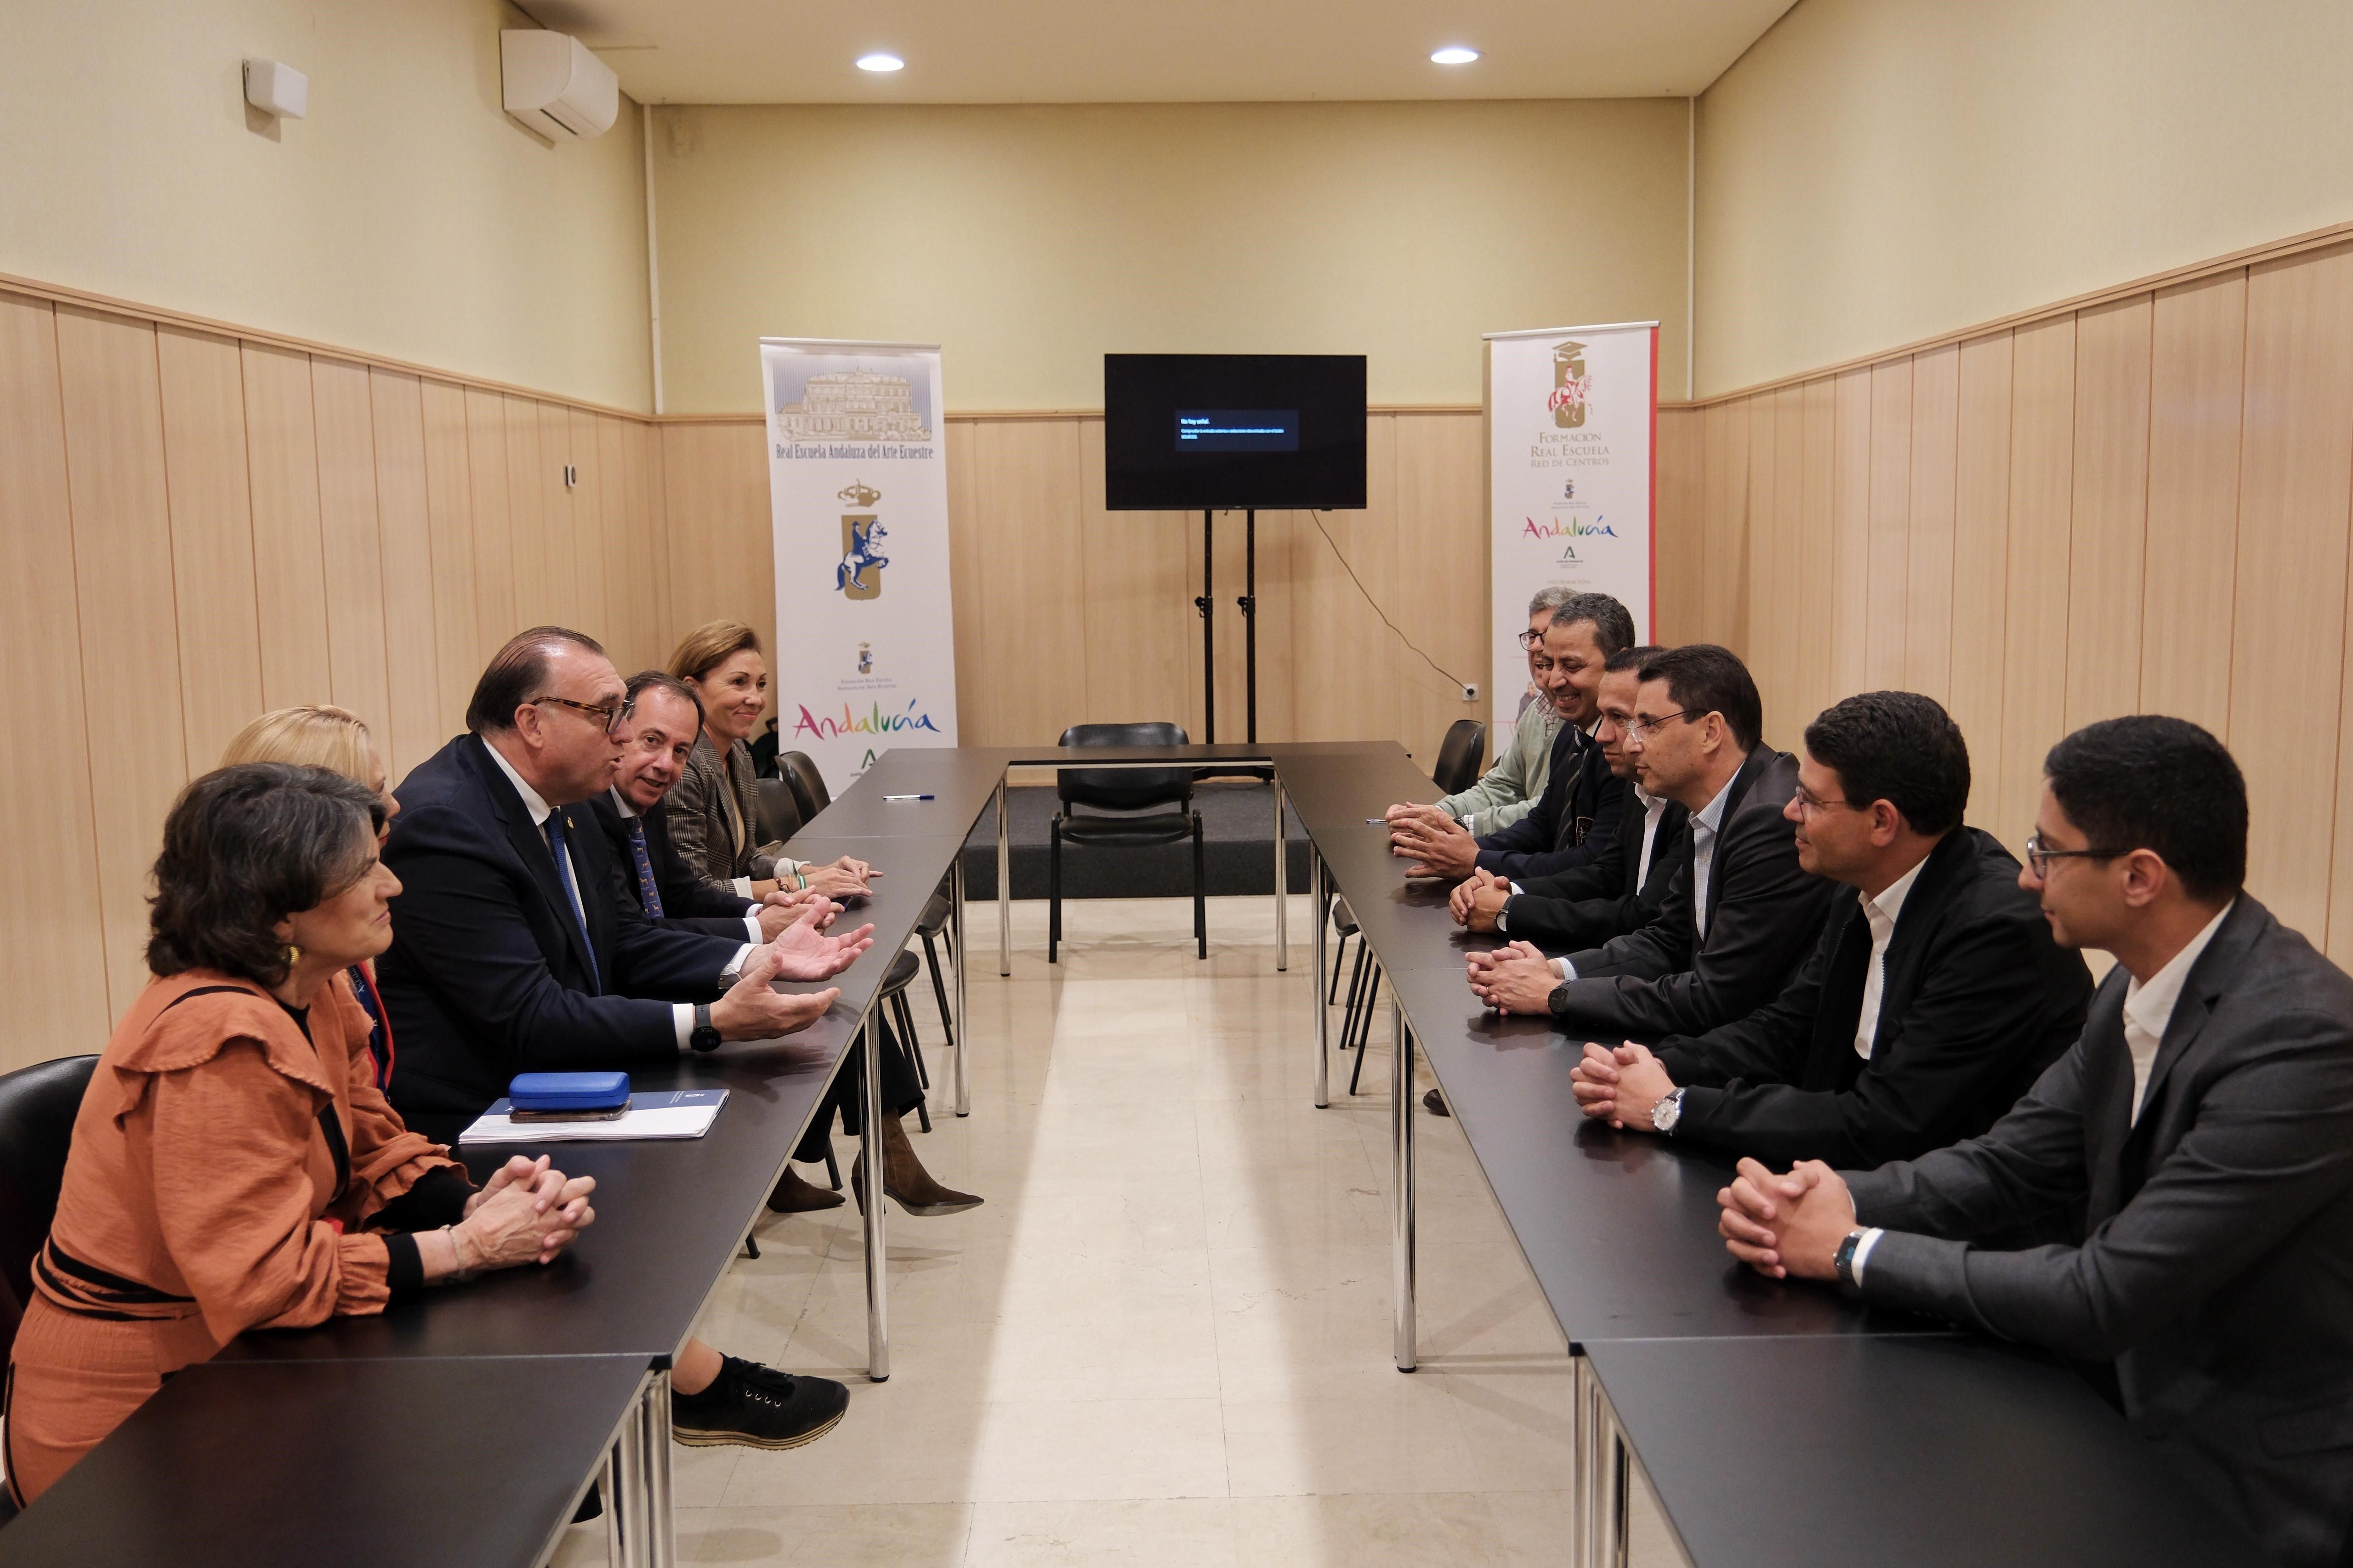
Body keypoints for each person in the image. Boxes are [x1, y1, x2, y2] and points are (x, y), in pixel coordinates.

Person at [1716, 717, 2353, 1568]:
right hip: (2118, 1404)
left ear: (2139, 876)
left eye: (2049, 852)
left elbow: (2106, 1288)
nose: (2025, 875)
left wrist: (1849, 1247)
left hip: (2252, 1479)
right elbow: (2010, 1161)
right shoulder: (2134, 977)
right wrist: (1830, 1194)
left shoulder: (2300, 1040)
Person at [2, 765, 596, 1506]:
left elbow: (370, 1139)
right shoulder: (220, 1040)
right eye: (364, 870)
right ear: (279, 910)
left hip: (240, 1361)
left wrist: (466, 1204)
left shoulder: (316, 987)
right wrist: (466, 1249)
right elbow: (263, 1283)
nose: (394, 885)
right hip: (136, 1424)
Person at [376, 625, 868, 1449]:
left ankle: (649, 1387)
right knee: (652, 1173)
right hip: (472, 1114)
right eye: (606, 714)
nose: (619, 738)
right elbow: (528, 1015)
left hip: (546, 1077)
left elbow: (624, 941)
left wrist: (759, 954)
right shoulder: (448, 823)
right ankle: (635, 1400)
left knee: (718, 1139)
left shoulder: (560, 806)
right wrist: (712, 1022)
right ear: (533, 722)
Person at [1569, 691, 2092, 1170]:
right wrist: (1647, 1067)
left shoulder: (1996, 929)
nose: (1790, 811)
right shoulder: (1861, 881)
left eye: (1811, 801)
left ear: (1881, 822)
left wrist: (1673, 1105)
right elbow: (1785, 1029)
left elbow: (1885, 1123)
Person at [591, 670, 966, 1219]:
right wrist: (761, 930)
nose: (666, 762)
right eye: (652, 741)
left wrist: (767, 912)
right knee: (810, 994)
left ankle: (847, 1157)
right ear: (617, 734)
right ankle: (812, 1162)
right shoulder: (601, 808)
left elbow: (682, 890)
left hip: (669, 950)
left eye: (678, 748)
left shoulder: (716, 768)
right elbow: (639, 933)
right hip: (637, 986)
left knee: (828, 993)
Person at [1467, 644, 1837, 1039]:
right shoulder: (1711, 802)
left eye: (1647, 724)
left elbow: (1716, 997)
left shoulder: (1768, 821)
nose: (1629, 743)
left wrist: (1556, 995)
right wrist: (1552, 971)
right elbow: (1667, 940)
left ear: (1710, 731)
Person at [1449, 646, 1689, 951]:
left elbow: (1641, 918)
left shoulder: (1685, 799)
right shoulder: (1633, 781)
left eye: (1621, 718)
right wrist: (1507, 889)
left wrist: (1508, 909)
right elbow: (1605, 874)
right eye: (1604, 716)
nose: (1602, 735)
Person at [1387, 593, 1634, 883]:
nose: (1553, 680)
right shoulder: (1572, 731)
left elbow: (1596, 867)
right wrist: (1455, 848)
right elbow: (1543, 823)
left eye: (1572, 666)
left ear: (1620, 662)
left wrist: (1477, 861)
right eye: (1550, 664)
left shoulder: (1627, 751)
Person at [219, 705, 404, 1091]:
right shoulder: (231, 1032)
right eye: (372, 794)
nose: (393, 806)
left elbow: (366, 1128)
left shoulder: (317, 958)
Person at [664, 620, 870, 903]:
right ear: (693, 689)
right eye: (739, 682)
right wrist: (801, 884)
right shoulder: (681, 766)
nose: (756, 699)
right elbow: (695, 891)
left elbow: (747, 858)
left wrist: (820, 872)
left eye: (760, 684)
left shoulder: (738, 753)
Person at [1399, 585, 1580, 834]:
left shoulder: (1585, 718)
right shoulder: (1535, 711)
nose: (1538, 647)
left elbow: (1549, 811)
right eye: (1532, 635)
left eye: (1547, 636)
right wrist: (1434, 813)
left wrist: (1456, 824)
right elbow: (1500, 787)